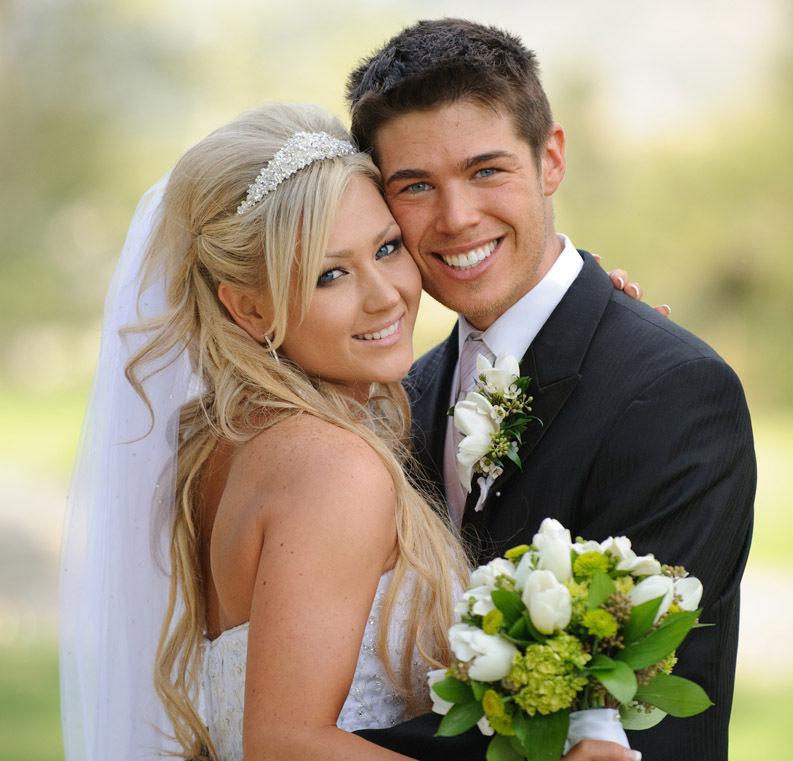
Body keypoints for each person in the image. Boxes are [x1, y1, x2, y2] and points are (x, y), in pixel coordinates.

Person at [59, 102, 641, 761]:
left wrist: (596, 333)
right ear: (250, 308)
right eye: (331, 274)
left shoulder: (231, 440)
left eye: (387, 247)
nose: (385, 294)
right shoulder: (332, 466)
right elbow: (285, 743)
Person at [346, 18, 756, 761]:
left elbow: (627, 710)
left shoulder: (674, 391)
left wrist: (296, 745)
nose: (457, 216)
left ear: (552, 158)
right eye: (415, 186)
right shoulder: (405, 391)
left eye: (487, 170)